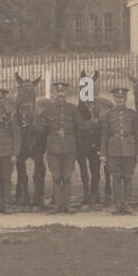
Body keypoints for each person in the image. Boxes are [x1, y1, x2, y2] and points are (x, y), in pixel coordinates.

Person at [42, 79, 84, 214]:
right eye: (58, 91)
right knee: (56, 176)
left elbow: (81, 125)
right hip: (53, 148)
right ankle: (56, 205)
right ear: (54, 93)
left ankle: (67, 205)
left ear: (66, 92)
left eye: (62, 91)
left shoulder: (73, 109)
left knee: (66, 176)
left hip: (69, 147)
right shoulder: (48, 110)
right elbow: (40, 127)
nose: (60, 94)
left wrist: (93, 123)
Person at [101, 87, 138, 215]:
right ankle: (118, 205)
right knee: (116, 178)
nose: (119, 100)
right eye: (117, 98)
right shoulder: (109, 115)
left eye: (122, 98)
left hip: (129, 150)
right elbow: (104, 136)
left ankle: (127, 204)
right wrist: (103, 154)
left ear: (125, 99)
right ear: (115, 99)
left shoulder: (132, 114)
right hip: (113, 150)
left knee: (128, 178)